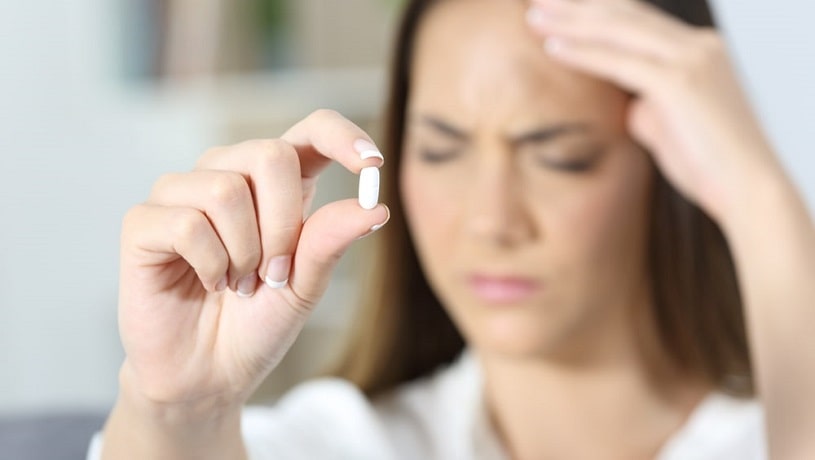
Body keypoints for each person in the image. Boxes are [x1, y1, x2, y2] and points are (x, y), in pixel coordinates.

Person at [90, 0, 815, 458]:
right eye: (439, 149)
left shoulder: (777, 430)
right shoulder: (345, 444)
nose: (490, 220)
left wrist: (763, 203)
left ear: (671, 170)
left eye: (559, 156)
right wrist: (177, 411)